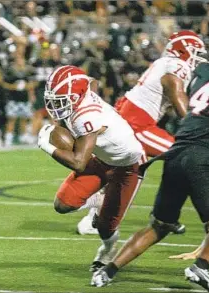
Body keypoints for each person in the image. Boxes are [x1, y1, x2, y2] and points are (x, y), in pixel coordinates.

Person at [91, 44, 209, 293]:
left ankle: (107, 271)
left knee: (159, 225)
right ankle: (200, 268)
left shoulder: (205, 71)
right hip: (204, 157)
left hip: (175, 153)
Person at [78, 30, 206, 234]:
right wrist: (198, 126)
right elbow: (176, 91)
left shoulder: (163, 63)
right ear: (183, 51)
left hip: (127, 117)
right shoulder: (176, 65)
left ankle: (95, 216)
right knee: (187, 155)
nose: (198, 59)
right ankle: (166, 215)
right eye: (196, 53)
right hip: (136, 124)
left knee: (129, 172)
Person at [36, 65, 146, 277]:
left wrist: (47, 146)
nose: (55, 105)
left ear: (77, 96)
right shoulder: (83, 93)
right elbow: (92, 80)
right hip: (103, 159)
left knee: (105, 227)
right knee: (63, 204)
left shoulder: (87, 116)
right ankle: (97, 200)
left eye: (61, 99)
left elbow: (78, 162)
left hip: (129, 166)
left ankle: (107, 251)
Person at [3, 55, 35, 146]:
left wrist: (29, 88)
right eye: (18, 60)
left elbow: (33, 83)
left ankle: (23, 136)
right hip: (13, 99)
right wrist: (13, 87)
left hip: (25, 98)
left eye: (22, 60)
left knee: (24, 119)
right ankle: (8, 138)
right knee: (11, 119)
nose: (20, 62)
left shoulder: (28, 72)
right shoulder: (10, 71)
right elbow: (4, 84)